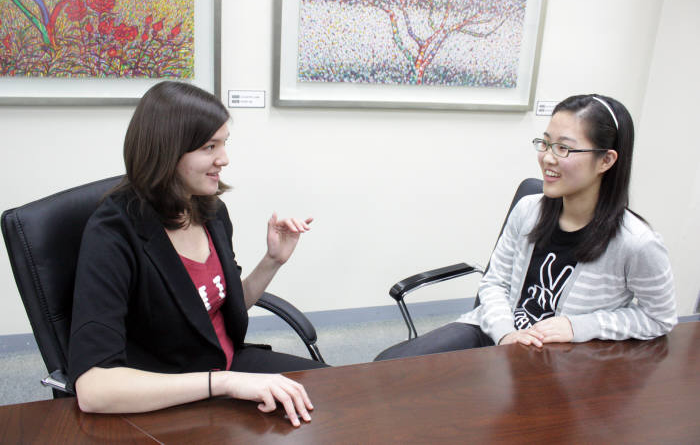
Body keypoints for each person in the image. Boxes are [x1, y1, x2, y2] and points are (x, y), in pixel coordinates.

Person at [68, 81, 326, 426]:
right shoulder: (113, 234)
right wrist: (226, 382)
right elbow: (94, 390)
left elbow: (217, 307)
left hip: (229, 369)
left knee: (334, 394)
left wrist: (272, 261)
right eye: (209, 146)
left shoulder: (210, 211)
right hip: (172, 393)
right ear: (167, 151)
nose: (224, 158)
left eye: (224, 143)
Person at [377, 94, 677, 360]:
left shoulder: (637, 243)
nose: (547, 157)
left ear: (606, 160)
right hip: (496, 330)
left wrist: (578, 326)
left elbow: (659, 317)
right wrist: (507, 333)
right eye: (545, 143)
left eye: (563, 148)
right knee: (390, 368)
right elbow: (494, 283)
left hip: (558, 358)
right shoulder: (528, 210)